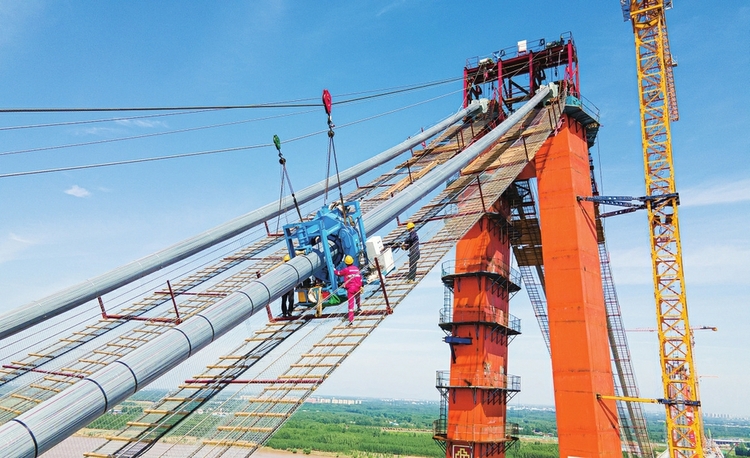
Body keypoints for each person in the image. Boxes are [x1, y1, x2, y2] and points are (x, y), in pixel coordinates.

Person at [334, 255, 362, 325]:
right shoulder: (356, 269)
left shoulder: (346, 270)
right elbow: (360, 278)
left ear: (346, 263)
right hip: (358, 287)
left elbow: (338, 273)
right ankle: (359, 307)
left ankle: (351, 321)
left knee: (351, 305)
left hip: (351, 289)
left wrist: (333, 269)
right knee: (358, 297)